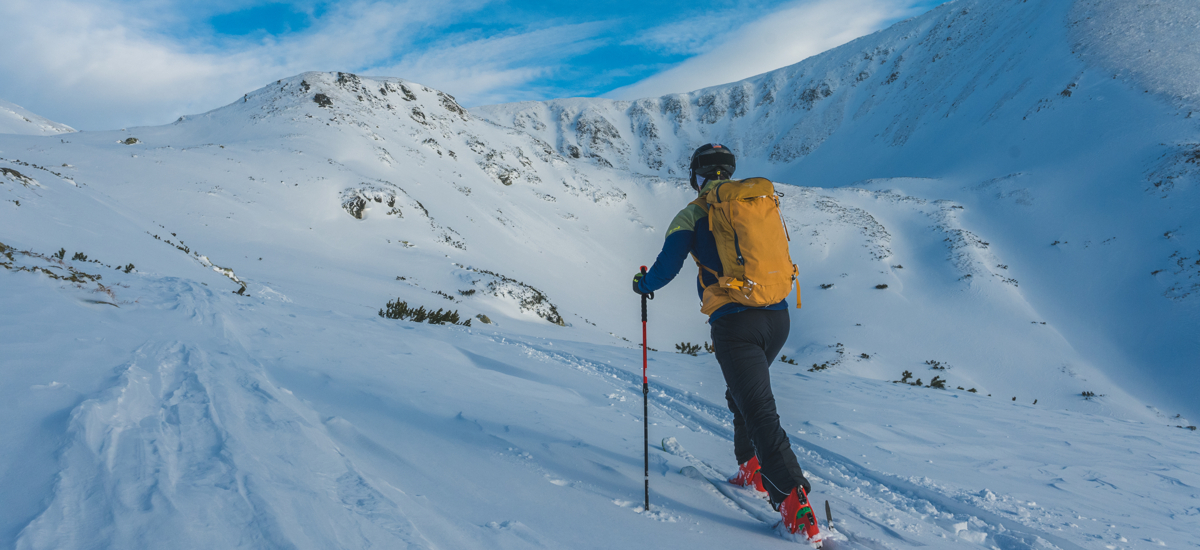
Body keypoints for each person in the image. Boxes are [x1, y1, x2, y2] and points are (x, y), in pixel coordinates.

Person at [632, 144, 814, 534]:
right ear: (728, 173)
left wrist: (641, 284)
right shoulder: (755, 204)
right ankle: (750, 467)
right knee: (743, 395)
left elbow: (666, 267)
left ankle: (793, 502)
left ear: (696, 177)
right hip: (777, 318)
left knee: (759, 409)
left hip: (735, 325)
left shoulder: (693, 213)